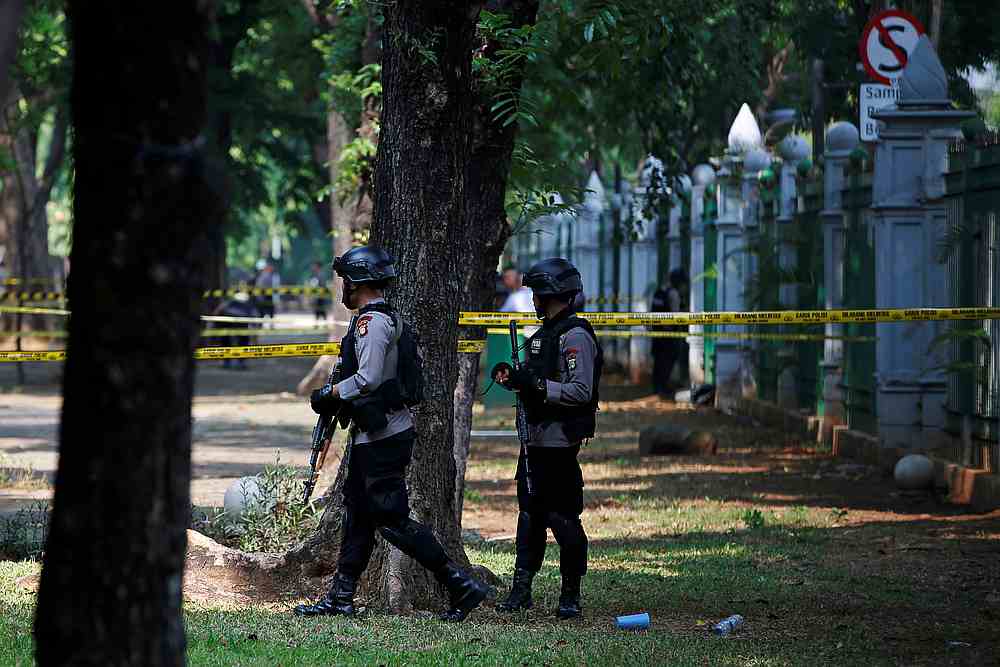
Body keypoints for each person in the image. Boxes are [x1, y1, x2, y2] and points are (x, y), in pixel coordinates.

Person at [295, 245, 489, 622]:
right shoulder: (371, 320)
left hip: (385, 437)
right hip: (372, 436)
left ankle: (460, 585)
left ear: (357, 282)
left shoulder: (374, 322)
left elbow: (367, 378)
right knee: (359, 517)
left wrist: (330, 393)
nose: (343, 288)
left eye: (345, 281)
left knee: (392, 520)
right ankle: (341, 597)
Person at [490, 257, 604, 620]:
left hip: (558, 441)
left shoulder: (575, 336)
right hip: (534, 439)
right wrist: (515, 377)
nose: (534, 299)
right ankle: (521, 589)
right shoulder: (545, 333)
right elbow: (536, 379)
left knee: (563, 516)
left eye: (538, 292)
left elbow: (580, 390)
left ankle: (570, 594)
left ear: (552, 294)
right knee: (530, 515)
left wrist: (537, 385)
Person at [650, 268, 689, 398]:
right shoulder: (673, 294)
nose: (685, 288)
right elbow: (676, 315)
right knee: (667, 361)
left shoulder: (659, 292)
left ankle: (657, 388)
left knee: (658, 361)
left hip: (656, 334)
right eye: (684, 284)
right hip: (668, 334)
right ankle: (662, 388)